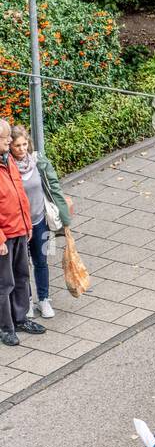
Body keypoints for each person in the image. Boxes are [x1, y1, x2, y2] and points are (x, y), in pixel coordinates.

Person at [9, 126, 71, 319]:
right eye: (17, 145)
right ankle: (26, 301)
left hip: (40, 221)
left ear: (29, 143)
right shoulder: (8, 167)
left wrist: (65, 219)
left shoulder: (38, 162)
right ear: (10, 146)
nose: (21, 148)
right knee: (22, 266)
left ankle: (43, 299)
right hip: (20, 227)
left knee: (41, 262)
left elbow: (53, 188)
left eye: (24, 144)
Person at [0, 120, 43, 346]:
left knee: (21, 277)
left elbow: (19, 196)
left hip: (19, 229)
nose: (9, 140)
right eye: (5, 137)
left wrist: (27, 226)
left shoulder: (9, 161)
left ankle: (20, 318)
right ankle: (6, 327)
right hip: (4, 237)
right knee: (4, 283)